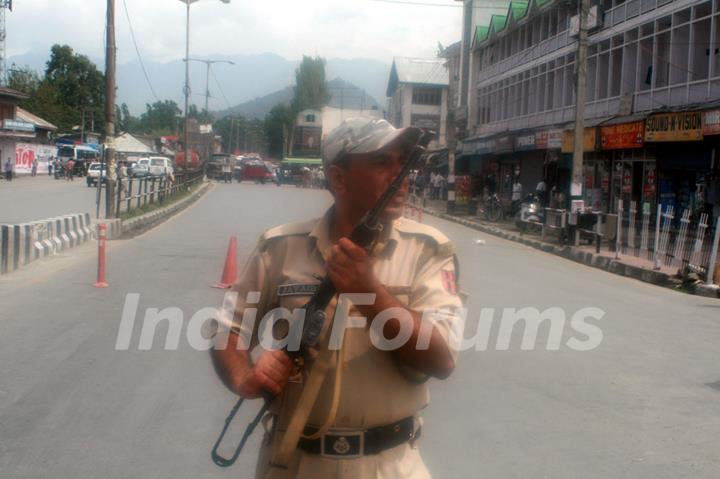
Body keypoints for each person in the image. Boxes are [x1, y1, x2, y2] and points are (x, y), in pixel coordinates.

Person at [211, 117, 463, 479]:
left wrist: (369, 293)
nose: (400, 174)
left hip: (388, 466)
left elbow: (442, 360)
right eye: (381, 162)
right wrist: (245, 377)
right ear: (338, 178)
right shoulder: (280, 247)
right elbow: (227, 331)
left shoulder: (428, 251)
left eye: (403, 161)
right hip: (292, 462)